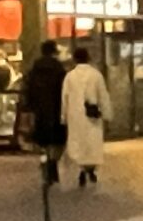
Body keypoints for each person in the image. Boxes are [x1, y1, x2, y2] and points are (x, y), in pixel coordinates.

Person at [22, 40, 68, 186]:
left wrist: (29, 106)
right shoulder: (60, 69)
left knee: (42, 139)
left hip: (39, 110)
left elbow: (28, 89)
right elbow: (65, 90)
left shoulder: (34, 69)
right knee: (57, 140)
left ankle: (45, 160)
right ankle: (53, 162)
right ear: (54, 51)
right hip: (56, 109)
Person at [60, 45, 106, 188]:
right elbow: (103, 95)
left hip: (75, 115)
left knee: (78, 144)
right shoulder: (96, 75)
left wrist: (63, 116)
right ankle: (90, 169)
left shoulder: (70, 76)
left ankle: (81, 169)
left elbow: (64, 98)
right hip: (92, 115)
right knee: (92, 144)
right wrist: (106, 112)